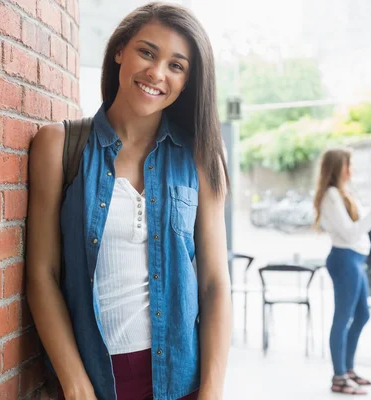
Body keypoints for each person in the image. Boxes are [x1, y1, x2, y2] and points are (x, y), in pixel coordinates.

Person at [25, 3, 231, 399]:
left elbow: (214, 284)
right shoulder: (59, 146)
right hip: (94, 382)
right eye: (147, 52)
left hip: (182, 382)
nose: (156, 73)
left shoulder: (202, 158)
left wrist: (212, 390)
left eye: (177, 65)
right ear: (120, 49)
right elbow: (42, 273)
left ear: (188, 81)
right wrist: (75, 383)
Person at [313, 148, 371, 395]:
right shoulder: (330, 196)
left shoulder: (343, 194)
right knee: (343, 317)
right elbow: (351, 232)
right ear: (339, 168)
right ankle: (339, 377)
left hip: (355, 260)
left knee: (362, 315)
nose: (352, 170)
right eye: (349, 165)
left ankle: (347, 370)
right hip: (344, 260)